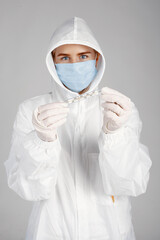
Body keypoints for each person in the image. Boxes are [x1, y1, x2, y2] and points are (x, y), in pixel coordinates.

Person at [4, 16, 152, 240]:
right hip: (50, 231)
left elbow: (130, 183)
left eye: (83, 56)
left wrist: (114, 135)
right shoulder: (33, 111)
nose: (74, 64)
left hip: (108, 231)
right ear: (52, 62)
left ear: (96, 59)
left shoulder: (118, 109)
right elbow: (29, 189)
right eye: (64, 57)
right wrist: (41, 141)